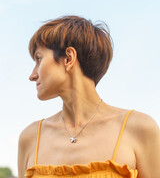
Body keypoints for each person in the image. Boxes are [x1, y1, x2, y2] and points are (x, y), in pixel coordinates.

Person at [18, 15, 160, 178]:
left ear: (69, 58)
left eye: (38, 58)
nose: (32, 75)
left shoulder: (139, 128)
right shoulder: (30, 138)